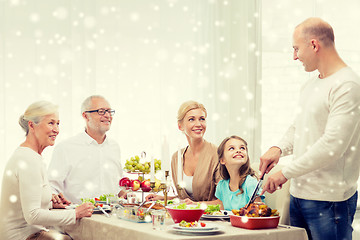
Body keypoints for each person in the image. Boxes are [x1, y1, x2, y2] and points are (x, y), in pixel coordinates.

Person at [259, 17, 360, 240]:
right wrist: (278, 149)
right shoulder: (311, 84)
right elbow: (300, 127)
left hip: (330, 201)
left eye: (296, 48)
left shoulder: (347, 85)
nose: (294, 56)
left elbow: (332, 145)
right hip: (298, 196)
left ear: (314, 45)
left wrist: (285, 172)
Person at [0, 101, 94, 240]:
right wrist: (75, 213)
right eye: (51, 123)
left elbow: (27, 204)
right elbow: (32, 215)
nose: (56, 129)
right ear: (32, 125)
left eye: (58, 123)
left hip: (31, 232)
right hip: (22, 236)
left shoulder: (32, 156)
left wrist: (50, 203)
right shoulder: (28, 159)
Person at [48, 95, 124, 204]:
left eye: (109, 111)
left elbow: (116, 185)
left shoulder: (114, 147)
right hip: (79, 218)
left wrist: (125, 193)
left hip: (111, 217)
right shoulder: (66, 148)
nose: (107, 115)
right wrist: (54, 199)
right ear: (86, 116)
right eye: (101, 111)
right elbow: (52, 186)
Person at [146, 100, 221, 204]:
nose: (198, 124)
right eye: (191, 119)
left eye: (202, 119)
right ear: (180, 126)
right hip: (186, 218)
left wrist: (196, 205)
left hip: (212, 219)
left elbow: (224, 202)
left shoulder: (217, 154)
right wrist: (164, 198)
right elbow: (187, 199)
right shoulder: (176, 158)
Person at [216, 135, 263, 211]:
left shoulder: (251, 184)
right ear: (222, 160)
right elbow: (221, 213)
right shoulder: (221, 186)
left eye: (242, 148)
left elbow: (258, 213)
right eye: (231, 148)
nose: (238, 151)